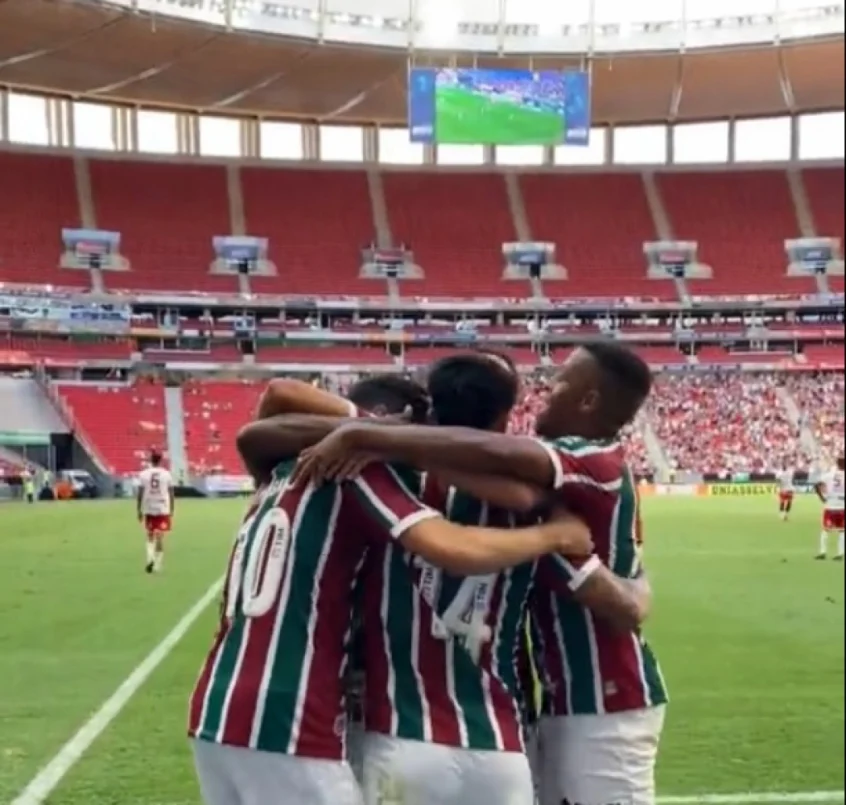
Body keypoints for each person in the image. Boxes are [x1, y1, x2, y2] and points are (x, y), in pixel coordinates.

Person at [188, 374, 594, 805]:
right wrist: (556, 535)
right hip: (288, 717)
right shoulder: (356, 469)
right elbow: (450, 545)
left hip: (215, 710)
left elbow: (264, 417)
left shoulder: (278, 477)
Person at [294, 343, 668, 805]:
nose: (547, 390)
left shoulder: (589, 461)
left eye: (561, 382)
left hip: (604, 701)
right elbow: (512, 480)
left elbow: (621, 605)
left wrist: (368, 435)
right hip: (534, 718)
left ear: (589, 400)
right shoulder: (535, 503)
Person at [136, 450, 175, 574]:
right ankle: (157, 565)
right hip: (162, 507)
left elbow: (140, 493)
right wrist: (172, 508)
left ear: (151, 460)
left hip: (149, 506)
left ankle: (150, 559)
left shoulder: (143, 474)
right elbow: (171, 492)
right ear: (161, 460)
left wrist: (139, 509)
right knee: (160, 536)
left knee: (150, 534)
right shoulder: (167, 474)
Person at [815, 455, 845, 560]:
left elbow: (817, 485)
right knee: (842, 531)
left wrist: (822, 497)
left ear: (837, 464)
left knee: (825, 530)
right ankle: (840, 554)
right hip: (842, 506)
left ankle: (823, 552)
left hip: (830, 505)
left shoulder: (829, 475)